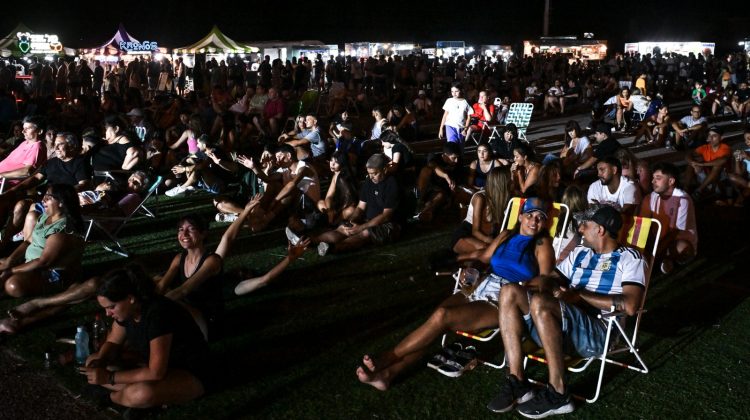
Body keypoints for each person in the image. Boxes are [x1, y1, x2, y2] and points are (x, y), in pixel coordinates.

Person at [356, 198, 555, 391]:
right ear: (520, 217)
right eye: (530, 215)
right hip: (481, 284)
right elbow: (484, 256)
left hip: (503, 299)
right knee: (435, 321)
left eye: (540, 217)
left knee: (442, 316)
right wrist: (462, 263)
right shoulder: (506, 235)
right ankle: (387, 375)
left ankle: (387, 359)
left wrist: (524, 284)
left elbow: (545, 279)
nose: (534, 221)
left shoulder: (541, 244)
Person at [491, 205, 645, 417]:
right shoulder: (580, 253)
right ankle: (517, 382)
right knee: (509, 291)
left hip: (598, 333)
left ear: (600, 230)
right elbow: (549, 278)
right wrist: (551, 292)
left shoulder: (631, 258)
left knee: (540, 303)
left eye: (585, 225)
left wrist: (579, 295)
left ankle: (559, 393)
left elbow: (630, 305)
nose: (580, 230)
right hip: (557, 326)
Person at [80, 265, 210, 413]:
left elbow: (156, 373)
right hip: (155, 369)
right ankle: (142, 400)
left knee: (140, 394)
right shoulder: (128, 312)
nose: (108, 314)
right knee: (92, 360)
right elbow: (112, 342)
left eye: (111, 307)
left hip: (190, 374)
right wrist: (101, 361)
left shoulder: (157, 315)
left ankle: (112, 399)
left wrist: (109, 378)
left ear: (130, 299)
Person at [0, 184, 85, 298]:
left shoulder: (64, 229)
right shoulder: (45, 217)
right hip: (30, 264)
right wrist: (9, 260)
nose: (43, 200)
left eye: (48, 198)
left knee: (13, 285)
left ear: (61, 202)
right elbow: (28, 241)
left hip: (51, 272)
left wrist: (11, 271)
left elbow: (43, 262)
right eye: (44, 196)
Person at [314, 154, 400, 256]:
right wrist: (352, 220)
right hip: (368, 221)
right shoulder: (369, 182)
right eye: (369, 173)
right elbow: (360, 207)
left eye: (375, 173)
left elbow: (386, 216)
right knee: (344, 228)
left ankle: (334, 248)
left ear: (385, 170)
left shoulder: (392, 184)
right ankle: (309, 242)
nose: (371, 177)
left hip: (388, 225)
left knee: (366, 233)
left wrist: (361, 227)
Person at [639, 162, 697, 274]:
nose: (653, 181)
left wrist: (654, 253)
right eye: (653, 178)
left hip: (674, 240)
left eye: (658, 178)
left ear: (671, 181)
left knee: (681, 247)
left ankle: (664, 260)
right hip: (657, 239)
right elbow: (641, 224)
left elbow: (674, 232)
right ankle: (661, 260)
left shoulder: (682, 199)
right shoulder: (650, 198)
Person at [451, 167, 511, 254]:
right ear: (502, 183)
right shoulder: (480, 198)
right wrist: (493, 242)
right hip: (467, 234)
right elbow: (475, 231)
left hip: (487, 236)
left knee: (496, 252)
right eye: (510, 180)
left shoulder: (505, 198)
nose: (512, 182)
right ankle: (453, 260)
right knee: (489, 250)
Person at [684, 125, 730, 200]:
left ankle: (699, 190)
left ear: (721, 138)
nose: (711, 138)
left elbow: (723, 160)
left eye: (714, 136)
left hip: (721, 177)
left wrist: (701, 164)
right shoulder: (705, 147)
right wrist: (694, 163)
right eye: (709, 135)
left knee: (717, 166)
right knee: (691, 164)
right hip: (707, 174)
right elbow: (688, 155)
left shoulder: (725, 148)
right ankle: (685, 189)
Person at [0, 116, 47, 182]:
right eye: (23, 128)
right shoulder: (25, 142)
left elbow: (27, 171)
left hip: (4, 182)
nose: (23, 131)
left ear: (39, 131)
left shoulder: (37, 146)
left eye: (27, 128)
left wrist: (1, 175)